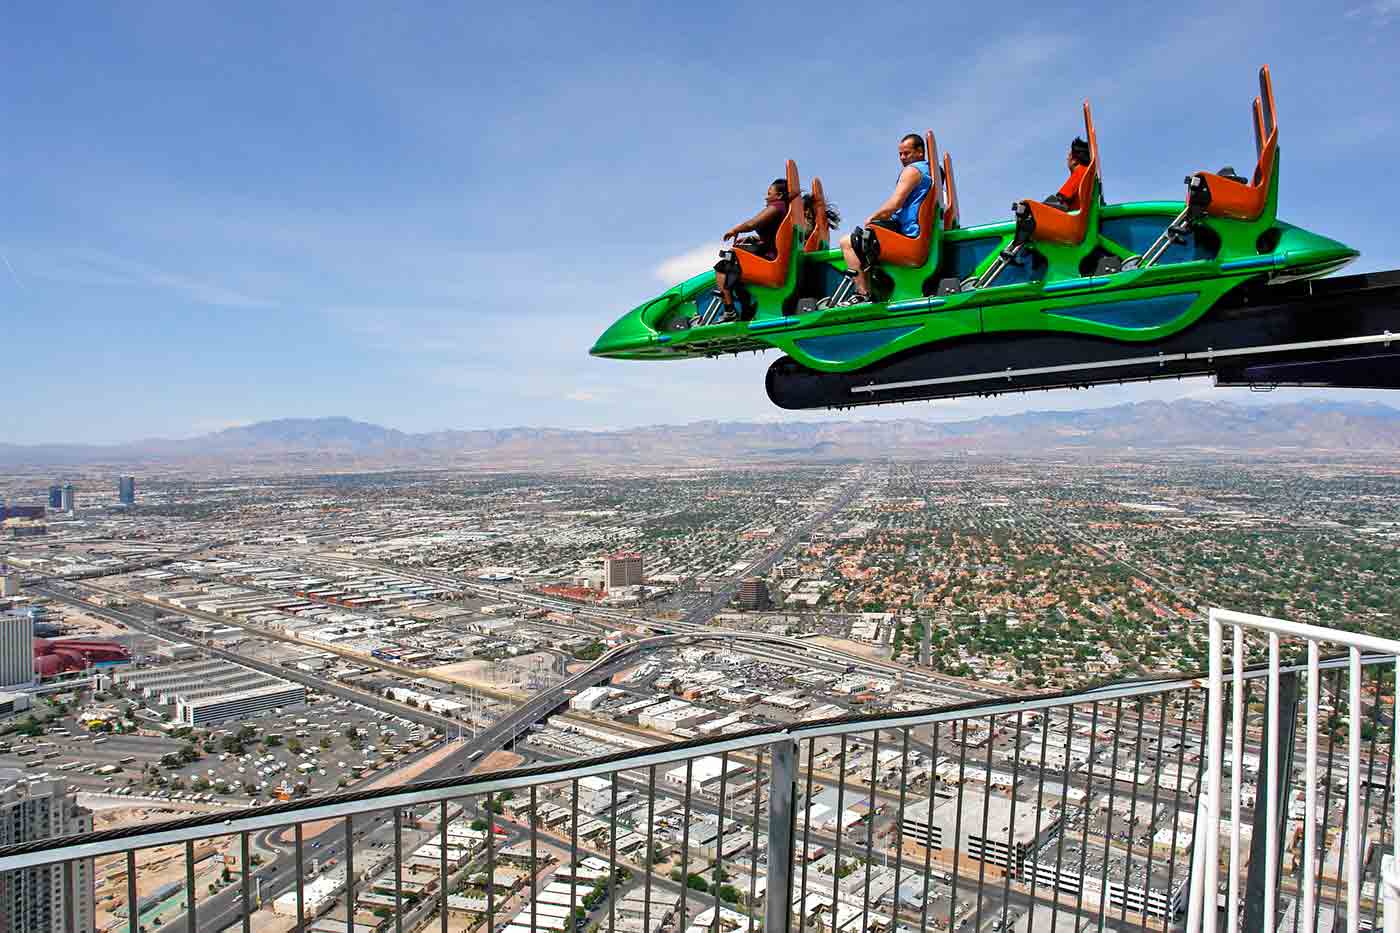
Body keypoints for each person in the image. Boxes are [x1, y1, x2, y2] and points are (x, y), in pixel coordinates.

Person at [836, 133, 931, 304]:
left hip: (907, 235)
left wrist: (872, 218)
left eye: (907, 153)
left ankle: (863, 294)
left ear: (920, 152)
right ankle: (878, 278)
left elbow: (894, 204)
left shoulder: (912, 171)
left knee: (848, 241)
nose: (902, 158)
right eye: (900, 154)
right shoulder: (931, 171)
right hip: (915, 233)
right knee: (869, 235)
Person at [712, 178, 793, 315]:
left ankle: (729, 309)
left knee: (723, 266)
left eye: (769, 193)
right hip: (773, 253)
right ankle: (746, 307)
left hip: (771, 258)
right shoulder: (785, 209)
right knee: (737, 259)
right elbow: (775, 235)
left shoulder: (776, 206)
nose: (766, 197)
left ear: (778, 195)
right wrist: (753, 238)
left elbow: (752, 224)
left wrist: (735, 230)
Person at [1044, 136, 1092, 211]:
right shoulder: (1089, 176)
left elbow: (1061, 200)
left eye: (1069, 156)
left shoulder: (1081, 171)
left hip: (1073, 219)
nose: (1067, 158)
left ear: (1074, 160)